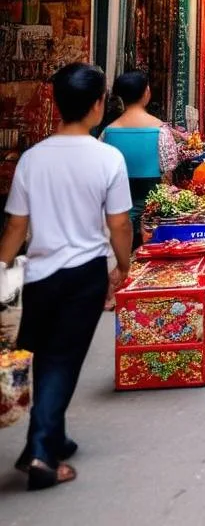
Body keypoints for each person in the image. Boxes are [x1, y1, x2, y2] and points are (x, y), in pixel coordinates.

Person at [0, 63, 132, 491]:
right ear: (97, 106)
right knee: (61, 361)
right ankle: (40, 449)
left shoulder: (33, 158)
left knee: (46, 357)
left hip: (40, 275)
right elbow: (119, 224)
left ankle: (54, 435)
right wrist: (125, 265)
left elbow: (16, 227)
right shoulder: (107, 157)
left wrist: (1, 270)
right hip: (83, 274)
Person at [101, 71, 180, 248]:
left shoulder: (108, 133)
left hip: (116, 216)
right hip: (153, 216)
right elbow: (169, 168)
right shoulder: (160, 130)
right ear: (146, 93)